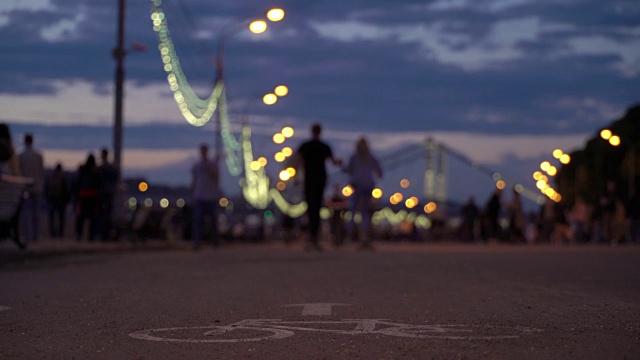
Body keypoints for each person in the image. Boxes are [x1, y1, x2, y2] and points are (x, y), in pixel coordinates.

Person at [293, 123, 341, 251]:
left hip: (309, 180)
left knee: (310, 208)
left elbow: (296, 162)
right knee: (317, 207)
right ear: (320, 132)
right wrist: (340, 162)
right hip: (320, 180)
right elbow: (334, 161)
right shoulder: (324, 147)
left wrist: (296, 178)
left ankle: (312, 236)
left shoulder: (305, 146)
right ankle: (314, 236)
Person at [343, 137, 382, 248]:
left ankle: (349, 235)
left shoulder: (354, 157)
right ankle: (364, 236)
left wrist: (341, 166)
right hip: (368, 185)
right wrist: (379, 173)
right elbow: (379, 170)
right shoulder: (370, 157)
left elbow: (348, 170)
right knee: (364, 211)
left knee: (353, 210)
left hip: (357, 185)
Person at [190, 144, 220, 250]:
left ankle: (215, 242)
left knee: (213, 221)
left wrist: (208, 165)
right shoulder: (196, 166)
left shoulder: (212, 164)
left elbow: (216, 177)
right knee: (197, 221)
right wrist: (192, 193)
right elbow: (194, 180)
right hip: (199, 197)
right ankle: (197, 243)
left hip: (211, 197)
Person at [18, 133, 44, 241]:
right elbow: (41, 171)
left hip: (25, 187)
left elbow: (19, 172)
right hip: (37, 186)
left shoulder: (21, 156)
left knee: (26, 212)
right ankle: (36, 235)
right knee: (36, 212)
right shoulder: (38, 156)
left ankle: (28, 234)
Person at [74, 153, 102, 241]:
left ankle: (79, 235)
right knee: (92, 218)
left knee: (81, 217)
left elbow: (77, 183)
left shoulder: (82, 170)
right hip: (93, 196)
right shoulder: (96, 171)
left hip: (83, 195)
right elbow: (99, 185)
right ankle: (91, 236)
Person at [98, 148, 119, 241]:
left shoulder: (102, 168)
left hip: (103, 194)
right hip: (108, 193)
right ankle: (106, 234)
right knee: (107, 214)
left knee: (103, 214)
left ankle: (104, 234)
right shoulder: (110, 168)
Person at [44, 163, 70, 238]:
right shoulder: (63, 177)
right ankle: (60, 232)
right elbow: (66, 190)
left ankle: (52, 232)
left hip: (52, 199)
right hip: (61, 200)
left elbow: (47, 188)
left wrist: (48, 197)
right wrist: (67, 200)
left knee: (52, 217)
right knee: (61, 218)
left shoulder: (51, 177)